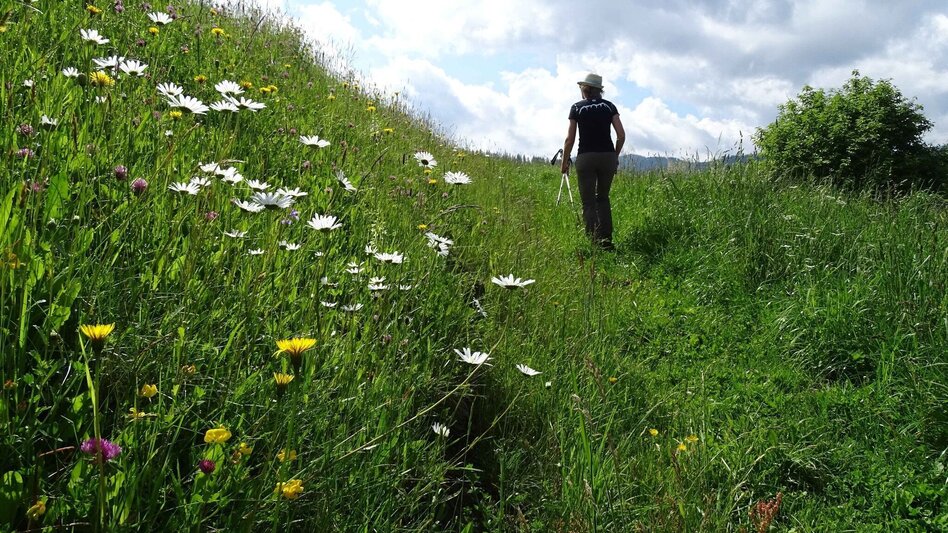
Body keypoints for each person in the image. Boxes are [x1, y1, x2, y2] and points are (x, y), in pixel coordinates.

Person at [561, 73, 625, 250]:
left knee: (588, 202)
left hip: (586, 158)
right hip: (607, 157)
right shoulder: (609, 106)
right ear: (599, 90)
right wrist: (615, 156)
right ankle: (607, 241)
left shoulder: (577, 107)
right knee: (603, 198)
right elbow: (621, 135)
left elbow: (570, 140)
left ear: (585, 89)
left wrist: (564, 162)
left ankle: (593, 242)